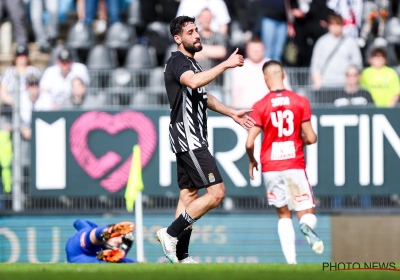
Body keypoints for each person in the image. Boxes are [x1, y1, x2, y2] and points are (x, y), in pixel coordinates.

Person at [156, 15, 256, 264]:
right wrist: (225, 64)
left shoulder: (192, 63)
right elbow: (193, 81)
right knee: (217, 193)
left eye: (196, 30)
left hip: (191, 137)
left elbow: (203, 95)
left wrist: (232, 112)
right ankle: (169, 233)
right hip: (189, 138)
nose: (197, 35)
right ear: (177, 39)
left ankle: (181, 256)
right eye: (190, 32)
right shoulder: (179, 61)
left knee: (189, 197)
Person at [245, 60, 323, 264]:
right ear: (284, 75)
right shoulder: (300, 101)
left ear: (265, 78)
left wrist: (252, 160)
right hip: (293, 163)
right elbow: (312, 137)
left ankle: (291, 263)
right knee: (306, 211)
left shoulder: (260, 105)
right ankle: (306, 227)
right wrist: (299, 141)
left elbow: (249, 141)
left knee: (283, 214)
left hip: (270, 167)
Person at [232, 38, 291, 109]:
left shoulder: (273, 65)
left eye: (258, 50)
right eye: (253, 50)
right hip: (245, 110)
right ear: (247, 50)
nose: (256, 52)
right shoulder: (239, 67)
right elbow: (234, 93)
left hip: (269, 111)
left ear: (264, 50)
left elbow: (286, 90)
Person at [311, 13, 362, 89]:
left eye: (338, 24)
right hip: (325, 84)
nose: (336, 27)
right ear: (329, 26)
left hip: (345, 86)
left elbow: (357, 63)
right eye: (333, 24)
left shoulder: (350, 42)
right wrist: (317, 81)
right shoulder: (322, 42)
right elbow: (315, 63)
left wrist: (353, 81)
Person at [0, 45, 41, 131]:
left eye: (24, 56)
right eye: (19, 56)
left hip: (30, 106)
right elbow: (3, 90)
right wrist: (14, 103)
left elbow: (39, 89)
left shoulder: (33, 71)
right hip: (11, 107)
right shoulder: (8, 71)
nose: (21, 59)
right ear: (15, 58)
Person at [66, 219, 139, 263]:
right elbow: (78, 222)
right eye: (117, 237)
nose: (120, 241)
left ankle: (107, 232)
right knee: (90, 236)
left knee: (111, 260)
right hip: (80, 247)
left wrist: (126, 248)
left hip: (87, 255)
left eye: (121, 239)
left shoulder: (107, 253)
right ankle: (108, 231)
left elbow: (119, 258)